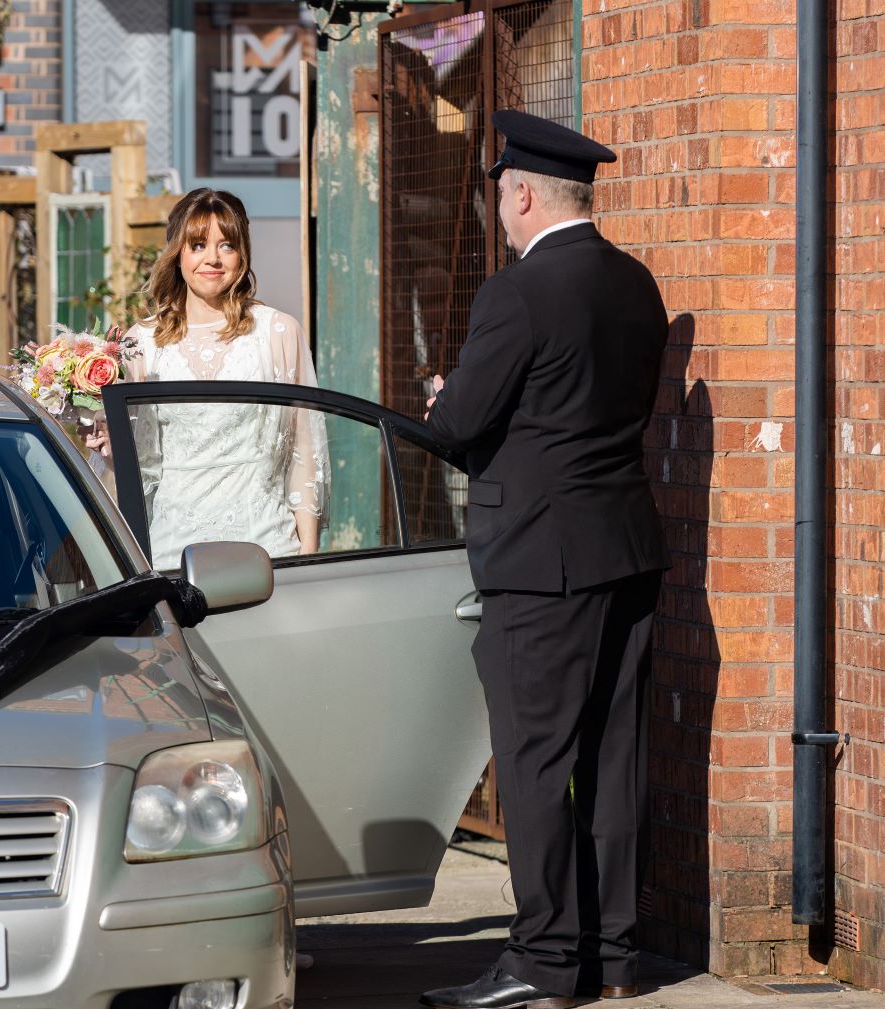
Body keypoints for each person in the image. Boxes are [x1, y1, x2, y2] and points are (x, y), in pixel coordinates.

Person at [420, 110, 669, 1009]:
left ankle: (544, 962)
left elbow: (457, 427)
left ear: (520, 192)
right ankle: (613, 956)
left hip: (539, 560)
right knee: (612, 755)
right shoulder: (637, 284)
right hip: (627, 550)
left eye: (499, 194)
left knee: (531, 761)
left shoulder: (516, 293)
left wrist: (447, 394)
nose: (499, 209)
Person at [91, 187, 328, 570]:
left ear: (242, 254)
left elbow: (305, 450)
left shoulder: (279, 332)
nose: (212, 259)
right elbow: (135, 461)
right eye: (198, 245)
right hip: (172, 552)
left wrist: (308, 557)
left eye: (227, 246)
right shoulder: (141, 342)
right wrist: (109, 448)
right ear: (178, 254)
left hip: (265, 545)